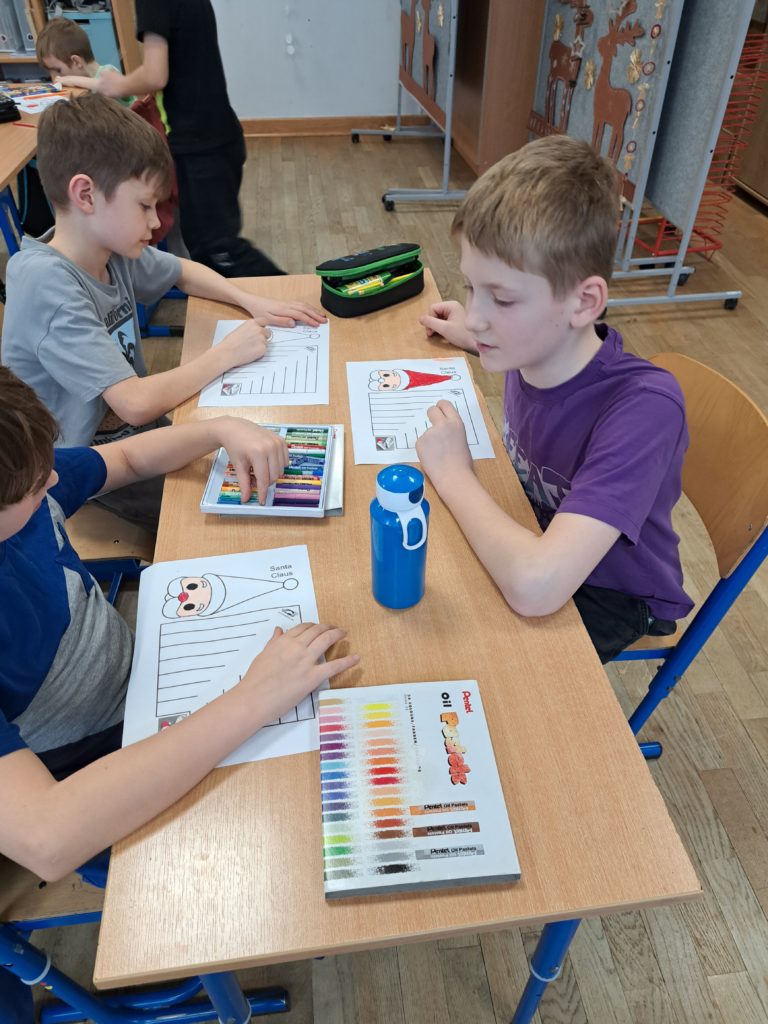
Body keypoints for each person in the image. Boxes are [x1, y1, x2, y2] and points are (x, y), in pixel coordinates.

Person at [0, 365, 359, 1020]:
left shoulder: (24, 483)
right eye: (30, 487)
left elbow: (126, 457)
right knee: (297, 825)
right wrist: (254, 697)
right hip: (86, 772)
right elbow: (49, 835)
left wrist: (218, 429)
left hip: (143, 683)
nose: (51, 481)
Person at [415, 135, 693, 663]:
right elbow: (506, 331)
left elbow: (536, 588)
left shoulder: (645, 409)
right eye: (472, 287)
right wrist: (472, 335)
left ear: (584, 303)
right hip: (535, 530)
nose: (479, 316)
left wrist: (452, 472)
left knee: (464, 658)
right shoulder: (535, 344)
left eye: (502, 299)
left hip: (611, 592)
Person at [1, 93, 325, 531]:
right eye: (144, 206)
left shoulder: (108, 245)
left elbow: (182, 271)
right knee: (234, 511)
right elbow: (135, 404)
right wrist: (226, 353)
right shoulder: (46, 282)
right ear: (86, 195)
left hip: (133, 435)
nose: (156, 222)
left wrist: (251, 300)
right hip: (80, 466)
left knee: (256, 463)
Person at [93, 0, 286, 278]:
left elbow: (155, 75)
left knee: (218, 250)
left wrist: (117, 84)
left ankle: (298, 296)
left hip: (201, 144)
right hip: (214, 136)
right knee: (208, 246)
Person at [36, 16, 136, 106]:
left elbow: (104, 86)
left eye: (58, 70)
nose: (57, 77)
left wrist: (70, 80)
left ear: (76, 61)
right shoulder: (84, 84)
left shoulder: (108, 72)